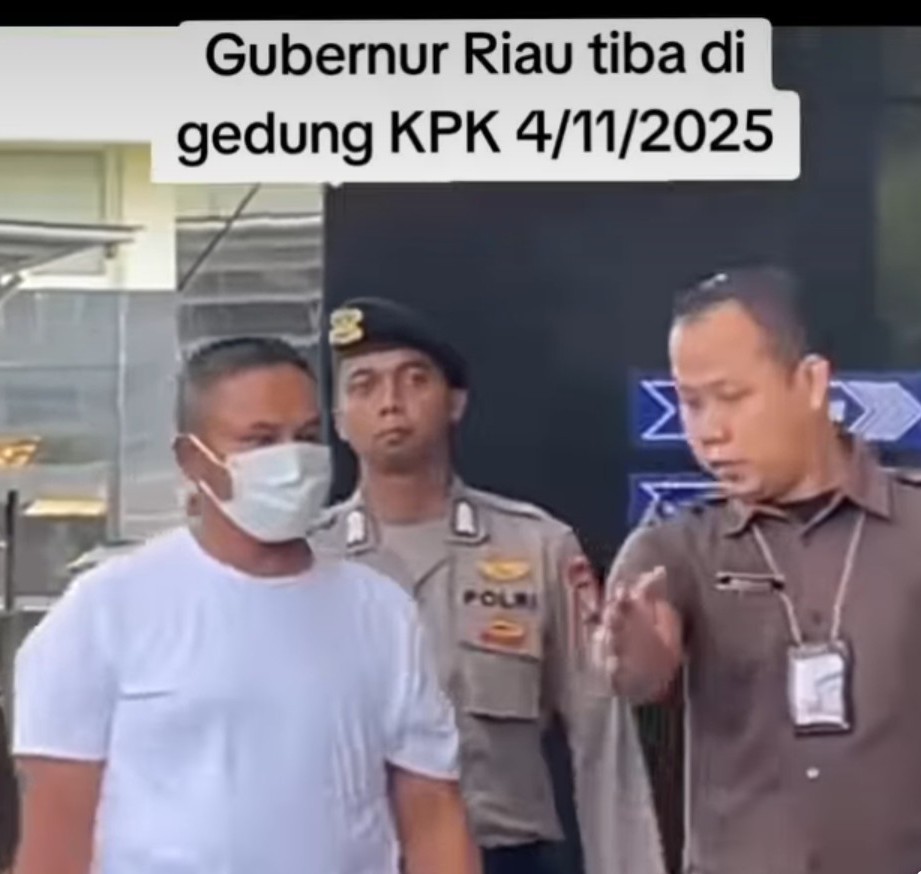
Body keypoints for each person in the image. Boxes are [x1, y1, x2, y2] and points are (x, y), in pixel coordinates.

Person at [10, 336, 481, 874]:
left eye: (306, 437)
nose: (292, 460)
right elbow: (56, 834)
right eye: (260, 440)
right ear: (193, 459)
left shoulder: (381, 612)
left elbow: (432, 812)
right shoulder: (106, 610)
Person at [574, 266, 921, 874]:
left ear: (810, 382)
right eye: (690, 403)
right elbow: (640, 673)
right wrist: (634, 652)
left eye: (731, 397)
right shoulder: (673, 549)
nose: (710, 431)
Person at [308, 298, 664, 874]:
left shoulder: (537, 546)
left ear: (455, 402)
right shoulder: (307, 560)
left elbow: (602, 735)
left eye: (414, 380)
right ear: (340, 419)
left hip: (503, 853)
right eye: (363, 386)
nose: (390, 402)